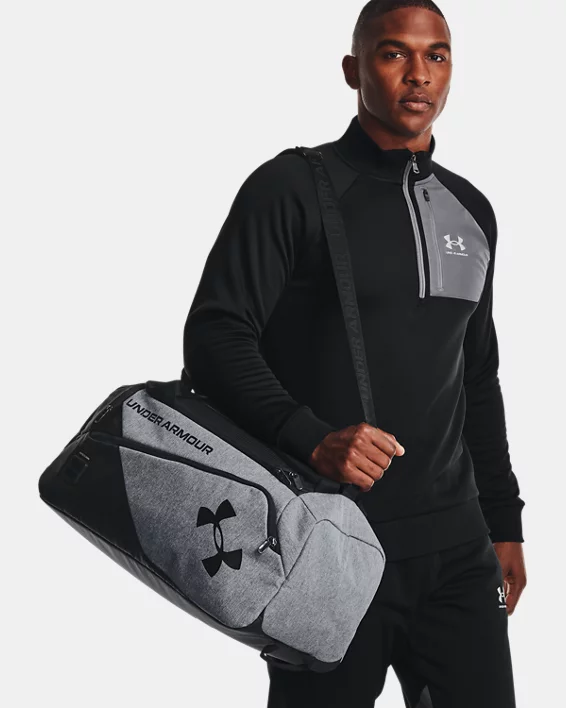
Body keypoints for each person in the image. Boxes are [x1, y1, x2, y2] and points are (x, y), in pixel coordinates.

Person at [182, 1, 527, 705]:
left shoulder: (472, 212)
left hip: (456, 550)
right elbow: (215, 336)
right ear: (353, 69)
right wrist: (309, 436)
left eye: (437, 56)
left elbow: (476, 375)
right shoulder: (291, 189)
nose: (418, 74)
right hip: (324, 545)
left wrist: (504, 522)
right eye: (394, 53)